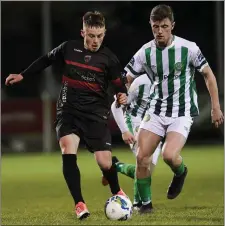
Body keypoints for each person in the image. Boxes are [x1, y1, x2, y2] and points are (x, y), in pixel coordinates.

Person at [5, 11, 128, 220]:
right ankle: (80, 204)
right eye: (91, 35)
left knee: (105, 163)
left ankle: (117, 191)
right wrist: (23, 74)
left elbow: (118, 84)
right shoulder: (68, 48)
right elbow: (46, 60)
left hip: (95, 114)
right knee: (67, 148)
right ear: (83, 32)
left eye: (99, 36)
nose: (95, 40)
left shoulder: (109, 59)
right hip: (68, 111)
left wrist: (122, 94)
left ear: (104, 34)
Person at [124, 4, 224, 214]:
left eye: (164, 26)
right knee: (142, 157)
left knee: (169, 155)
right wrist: (124, 91)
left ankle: (180, 172)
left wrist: (216, 106)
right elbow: (127, 77)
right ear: (151, 26)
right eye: (155, 27)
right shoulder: (145, 52)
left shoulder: (189, 48)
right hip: (156, 111)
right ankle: (146, 206)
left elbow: (208, 75)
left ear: (172, 26)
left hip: (182, 112)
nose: (159, 31)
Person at [102, 73, 162, 210]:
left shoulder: (169, 83)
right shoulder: (140, 83)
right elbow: (115, 106)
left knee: (148, 168)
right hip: (135, 122)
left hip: (155, 125)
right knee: (143, 162)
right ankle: (138, 203)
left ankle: (116, 166)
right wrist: (124, 130)